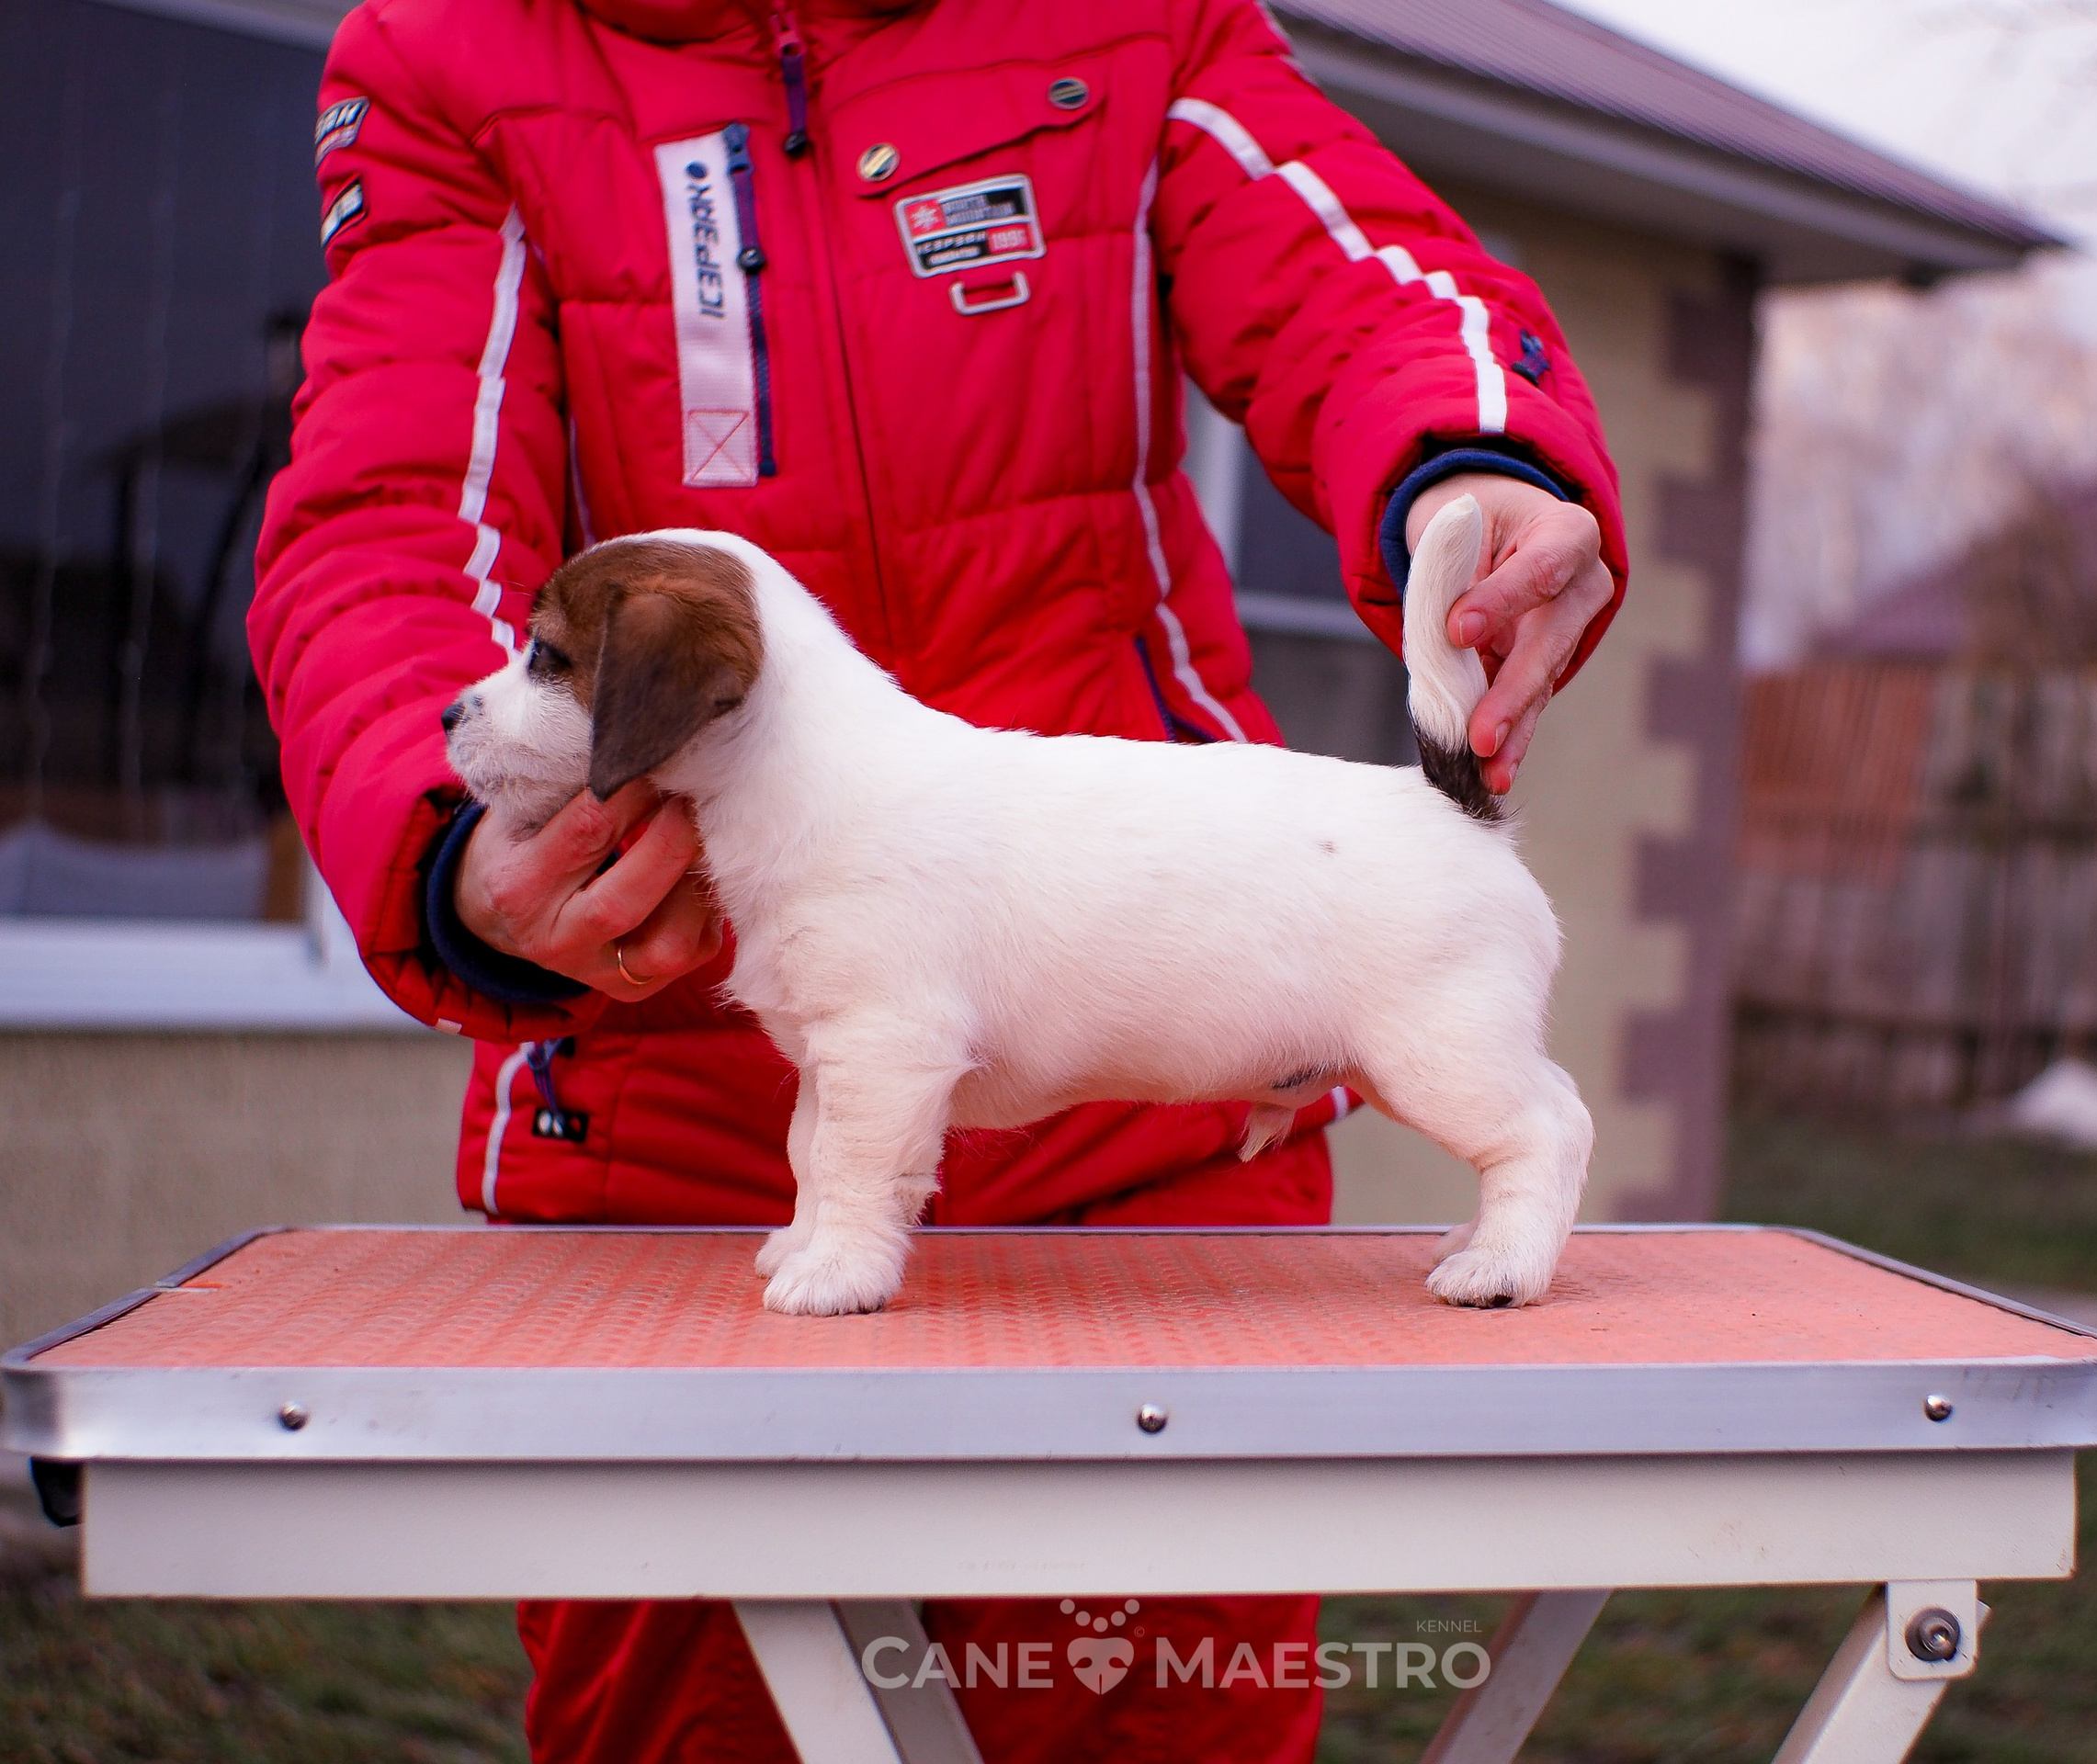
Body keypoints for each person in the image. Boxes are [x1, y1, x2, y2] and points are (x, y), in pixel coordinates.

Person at [252, 0, 1628, 1758]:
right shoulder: (451, 56)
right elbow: (386, 509)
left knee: (1148, 1716)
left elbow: (1361, 278)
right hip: (663, 1148)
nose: (513, 701)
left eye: (553, 672)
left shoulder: (1137, 19)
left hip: (1159, 1173)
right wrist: (444, 846)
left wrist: (1477, 464)